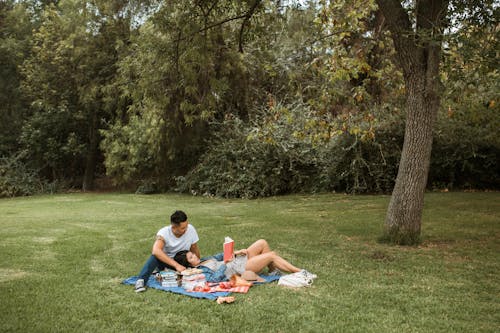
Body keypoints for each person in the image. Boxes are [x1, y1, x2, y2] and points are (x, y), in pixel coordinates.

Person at [174, 239, 316, 283]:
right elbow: (215, 279)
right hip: (239, 269)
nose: (195, 256)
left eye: (192, 254)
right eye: (191, 257)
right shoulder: (201, 271)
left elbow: (220, 255)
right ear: (188, 264)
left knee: (262, 243)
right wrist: (224, 264)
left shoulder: (204, 260)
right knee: (271, 255)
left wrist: (235, 252)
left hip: (239, 261)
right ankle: (301, 272)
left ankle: (273, 271)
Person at [134, 210, 200, 292]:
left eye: (186, 226)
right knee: (155, 256)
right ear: (173, 227)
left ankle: (162, 273)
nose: (186, 229)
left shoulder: (191, 229)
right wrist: (177, 266)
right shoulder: (164, 233)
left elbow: (194, 248)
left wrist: (197, 262)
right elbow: (155, 250)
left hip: (184, 262)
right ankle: (141, 281)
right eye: (183, 228)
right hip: (168, 263)